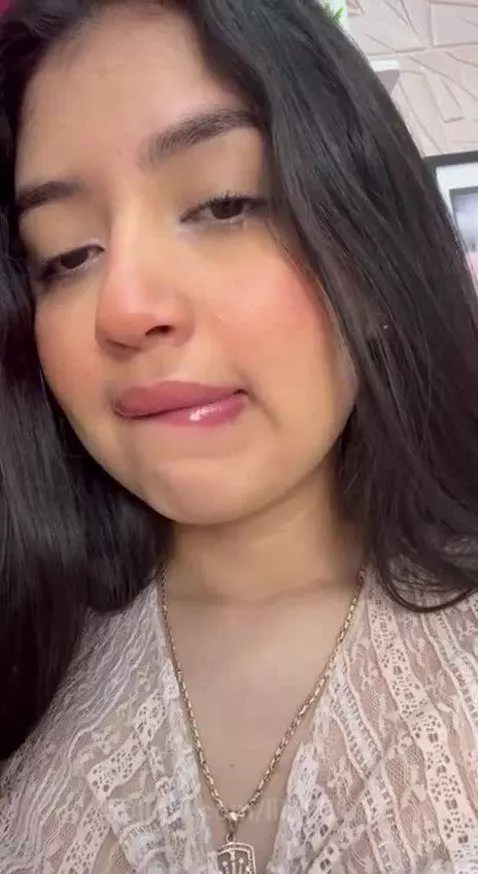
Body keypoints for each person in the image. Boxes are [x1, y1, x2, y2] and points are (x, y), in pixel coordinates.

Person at [0, 1, 477, 871]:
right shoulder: (30, 647)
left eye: (223, 204)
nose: (125, 309)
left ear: (369, 260)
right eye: (66, 256)